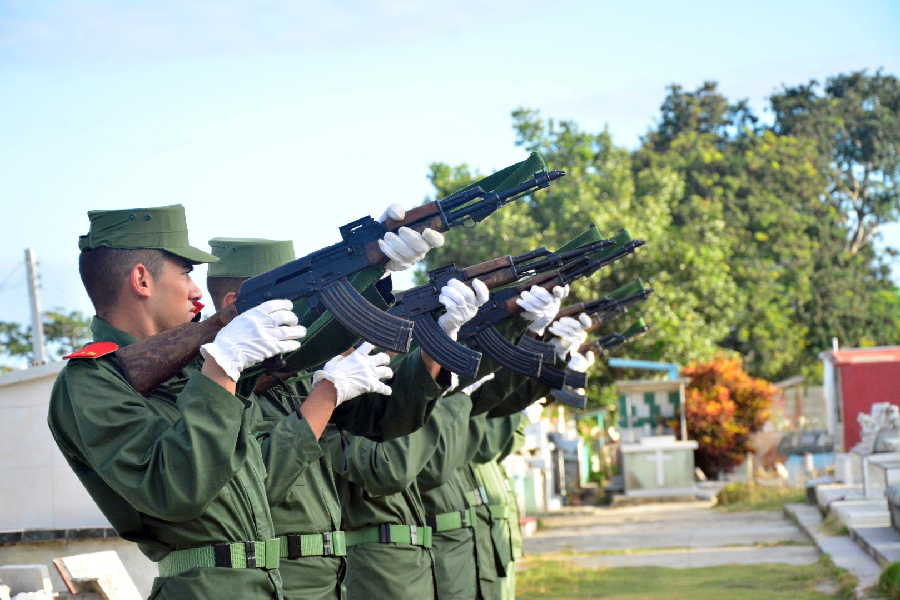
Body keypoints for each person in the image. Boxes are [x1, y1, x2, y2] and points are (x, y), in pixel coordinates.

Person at [47, 204, 433, 599]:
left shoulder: (193, 365)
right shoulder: (93, 382)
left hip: (268, 584)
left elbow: (307, 344)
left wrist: (372, 267)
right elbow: (179, 490)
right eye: (185, 272)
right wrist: (223, 366)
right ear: (142, 279)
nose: (196, 291)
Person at [204, 236, 451, 599]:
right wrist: (326, 395)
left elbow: (388, 421)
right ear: (234, 305)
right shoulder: (216, 393)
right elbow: (254, 485)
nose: (302, 310)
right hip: (285, 580)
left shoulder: (297, 378)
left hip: (333, 579)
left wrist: (438, 343)